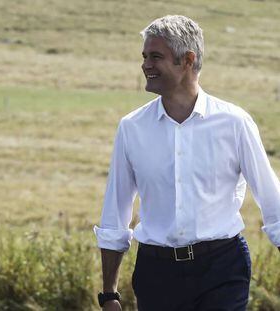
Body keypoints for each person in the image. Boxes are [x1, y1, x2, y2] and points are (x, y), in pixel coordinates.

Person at [94, 15, 280, 311]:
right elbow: (115, 213)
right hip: (157, 274)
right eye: (144, 56)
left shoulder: (234, 123)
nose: (145, 65)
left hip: (222, 269)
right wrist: (109, 294)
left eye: (156, 56)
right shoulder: (132, 127)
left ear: (188, 60)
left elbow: (274, 205)